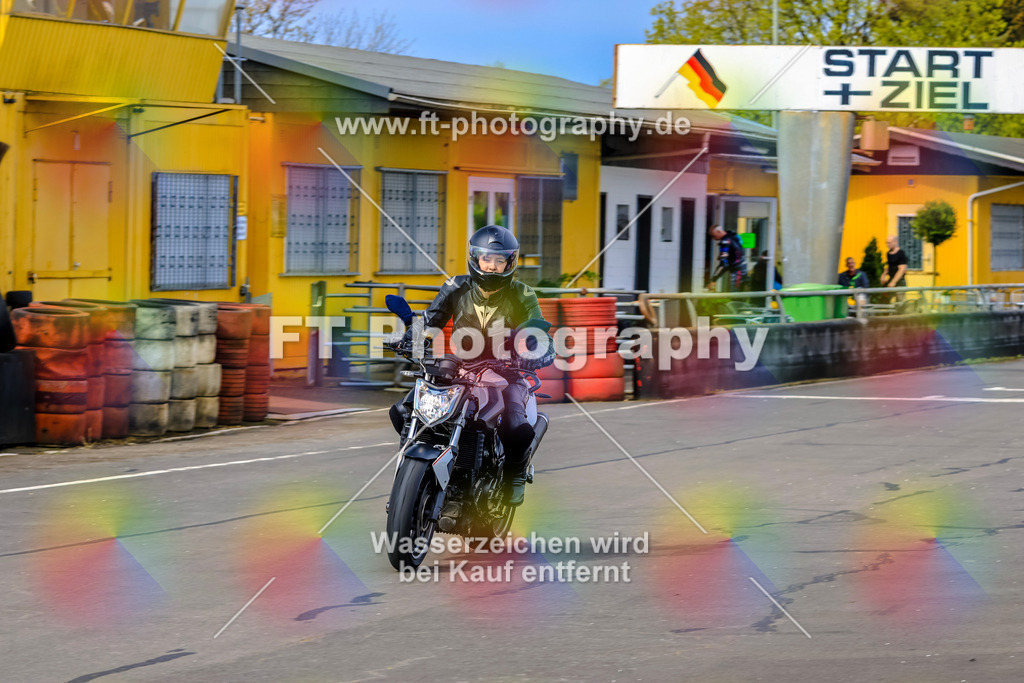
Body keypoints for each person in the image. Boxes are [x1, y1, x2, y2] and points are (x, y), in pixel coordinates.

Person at [388, 225, 554, 506]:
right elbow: (431, 321)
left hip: (507, 370)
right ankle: (416, 469)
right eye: (486, 259)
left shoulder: (522, 294)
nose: (491, 266)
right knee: (402, 411)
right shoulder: (456, 286)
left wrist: (536, 348)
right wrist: (411, 338)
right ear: (475, 259)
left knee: (516, 426)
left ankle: (514, 475)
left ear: (509, 263)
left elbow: (536, 329)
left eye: (499, 260)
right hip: (460, 368)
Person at [708, 225, 747, 292]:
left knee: (735, 298)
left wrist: (713, 280)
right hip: (743, 269)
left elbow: (723, 264)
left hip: (737, 273)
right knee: (740, 297)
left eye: (713, 236)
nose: (713, 239)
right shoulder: (735, 236)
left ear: (719, 231)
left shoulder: (725, 242)